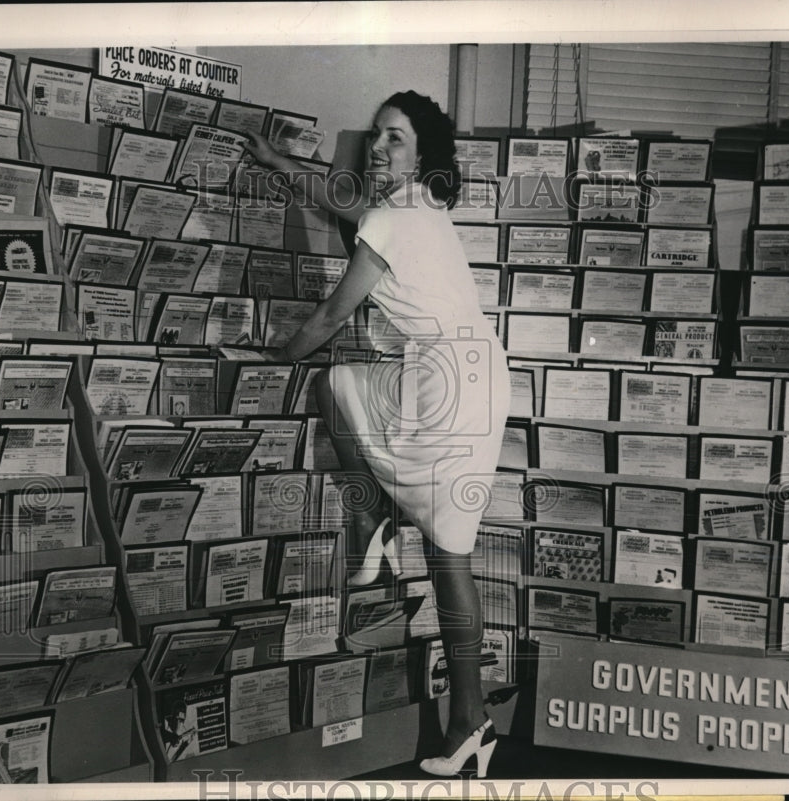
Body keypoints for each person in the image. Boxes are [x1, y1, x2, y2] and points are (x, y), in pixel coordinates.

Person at [243, 90, 510, 778]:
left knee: (331, 383)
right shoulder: (417, 207)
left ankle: (377, 514)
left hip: (445, 383)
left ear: (422, 154)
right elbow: (334, 195)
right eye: (377, 138)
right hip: (479, 375)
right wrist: (276, 159)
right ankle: (472, 724)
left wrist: (273, 357)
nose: (379, 149)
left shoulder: (395, 212)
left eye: (396, 139)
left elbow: (332, 316)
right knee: (453, 557)